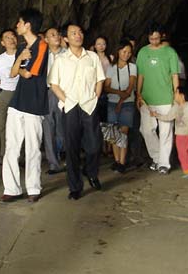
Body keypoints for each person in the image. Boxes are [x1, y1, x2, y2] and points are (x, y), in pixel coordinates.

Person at [49, 23, 106, 200]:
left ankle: (91, 172)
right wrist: (66, 101)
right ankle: (75, 186)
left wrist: (96, 97)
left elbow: (100, 79)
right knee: (71, 148)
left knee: (95, 145)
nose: (78, 35)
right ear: (66, 38)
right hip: (71, 107)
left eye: (80, 32)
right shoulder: (61, 60)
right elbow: (54, 84)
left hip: (89, 105)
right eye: (73, 33)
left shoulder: (92, 57)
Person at [0, 9, 49, 203]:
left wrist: (20, 67)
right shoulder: (21, 47)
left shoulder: (42, 46)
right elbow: (12, 73)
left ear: (28, 25)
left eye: (19, 22)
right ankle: (11, 189)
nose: (17, 26)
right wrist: (20, 59)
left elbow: (29, 73)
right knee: (11, 146)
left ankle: (33, 188)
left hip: (34, 104)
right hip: (17, 102)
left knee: (33, 147)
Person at [136, 23, 180, 175]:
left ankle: (164, 163)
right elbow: (140, 75)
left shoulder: (170, 52)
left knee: (166, 132)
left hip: (166, 98)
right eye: (151, 38)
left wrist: (176, 94)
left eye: (156, 38)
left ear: (162, 36)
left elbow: (174, 75)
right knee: (146, 130)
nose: (154, 41)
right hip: (147, 98)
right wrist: (138, 94)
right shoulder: (143, 52)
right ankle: (156, 157)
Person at [150, 85, 188, 178]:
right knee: (182, 152)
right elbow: (168, 117)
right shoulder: (175, 107)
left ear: (182, 95)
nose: (174, 95)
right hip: (179, 133)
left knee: (183, 151)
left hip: (186, 133)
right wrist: (157, 115)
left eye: (176, 93)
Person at [103, 40, 137, 172]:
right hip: (112, 102)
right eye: (124, 51)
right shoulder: (111, 68)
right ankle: (116, 160)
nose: (126, 54)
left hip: (127, 103)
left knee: (123, 132)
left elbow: (130, 88)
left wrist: (120, 102)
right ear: (118, 51)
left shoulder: (132, 67)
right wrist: (118, 93)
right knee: (113, 132)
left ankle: (122, 162)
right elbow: (106, 87)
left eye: (129, 52)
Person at [0, 29, 19, 165]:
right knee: (1, 125)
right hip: (5, 93)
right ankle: (0, 156)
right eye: (7, 37)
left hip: (20, 93)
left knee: (19, 126)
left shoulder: (23, 55)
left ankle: (20, 156)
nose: (11, 39)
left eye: (13, 36)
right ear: (2, 43)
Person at [42, 27, 66, 174]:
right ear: (46, 40)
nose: (56, 36)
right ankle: (53, 163)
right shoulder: (42, 55)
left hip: (65, 93)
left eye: (57, 34)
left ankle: (64, 155)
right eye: (52, 35)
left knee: (63, 128)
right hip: (48, 92)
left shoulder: (67, 53)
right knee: (48, 128)